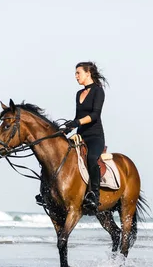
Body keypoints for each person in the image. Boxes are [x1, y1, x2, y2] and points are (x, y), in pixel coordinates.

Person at [36, 61, 108, 214]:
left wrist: (77, 122)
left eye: (78, 73)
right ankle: (46, 192)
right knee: (54, 156)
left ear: (88, 73)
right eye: (75, 73)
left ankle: (94, 195)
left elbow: (94, 115)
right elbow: (78, 117)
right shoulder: (78, 94)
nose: (76, 76)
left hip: (95, 136)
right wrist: (68, 128)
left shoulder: (98, 91)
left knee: (92, 159)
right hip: (80, 136)